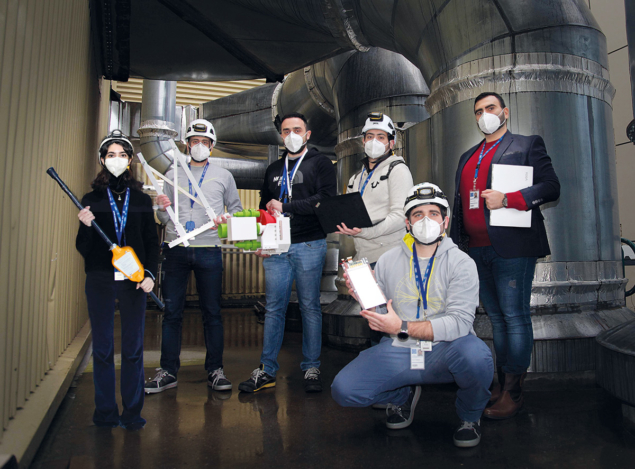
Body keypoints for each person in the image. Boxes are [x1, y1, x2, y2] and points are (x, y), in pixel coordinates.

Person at [331, 182, 494, 448]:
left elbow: (460, 323)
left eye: (433, 213)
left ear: (445, 221)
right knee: (344, 390)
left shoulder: (462, 262)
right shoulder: (387, 260)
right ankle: (400, 395)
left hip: (447, 349)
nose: (426, 220)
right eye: (418, 214)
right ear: (407, 223)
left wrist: (401, 325)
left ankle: (469, 416)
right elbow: (382, 315)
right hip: (401, 347)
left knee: (477, 358)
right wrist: (365, 298)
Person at [450, 92, 560, 419]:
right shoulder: (467, 155)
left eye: (491, 108)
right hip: (475, 249)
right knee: (496, 319)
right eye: (479, 111)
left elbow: (551, 187)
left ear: (505, 112)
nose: (485, 115)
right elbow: (461, 204)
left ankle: (514, 391)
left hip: (512, 248)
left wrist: (509, 199)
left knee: (514, 317)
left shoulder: (526, 145)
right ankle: (501, 385)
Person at [238, 112, 336, 394]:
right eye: (285, 130)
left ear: (307, 134)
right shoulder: (272, 169)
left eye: (297, 129)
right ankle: (267, 369)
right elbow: (262, 208)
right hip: (276, 247)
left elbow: (325, 200)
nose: (291, 135)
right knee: (274, 309)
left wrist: (288, 207)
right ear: (280, 136)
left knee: (310, 307)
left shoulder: (321, 164)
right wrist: (256, 240)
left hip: (309, 244)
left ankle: (312, 366)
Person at [145, 119, 243, 394]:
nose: (199, 146)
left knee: (212, 312)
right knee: (172, 312)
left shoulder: (224, 176)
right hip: (175, 249)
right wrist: (162, 208)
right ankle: (168, 371)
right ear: (187, 144)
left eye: (205, 142)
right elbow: (162, 216)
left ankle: (215, 370)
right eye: (194, 141)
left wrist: (224, 221)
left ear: (212, 146)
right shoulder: (171, 174)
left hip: (209, 250)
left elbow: (235, 210)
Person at [76, 130, 159, 430]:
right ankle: (105, 413)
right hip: (99, 279)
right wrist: (86, 227)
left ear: (130, 160)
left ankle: (133, 413)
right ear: (102, 159)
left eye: (122, 154)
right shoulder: (91, 199)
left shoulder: (140, 200)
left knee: (134, 348)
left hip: (133, 280)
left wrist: (149, 275)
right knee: (103, 348)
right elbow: (82, 248)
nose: (116, 159)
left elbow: (152, 242)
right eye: (110, 154)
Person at [335, 112, 413, 266]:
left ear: (391, 143)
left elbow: (400, 216)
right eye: (370, 136)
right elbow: (350, 215)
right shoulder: (356, 179)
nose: (374, 141)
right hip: (362, 256)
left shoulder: (397, 170)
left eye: (381, 137)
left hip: (391, 257)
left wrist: (365, 232)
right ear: (363, 141)